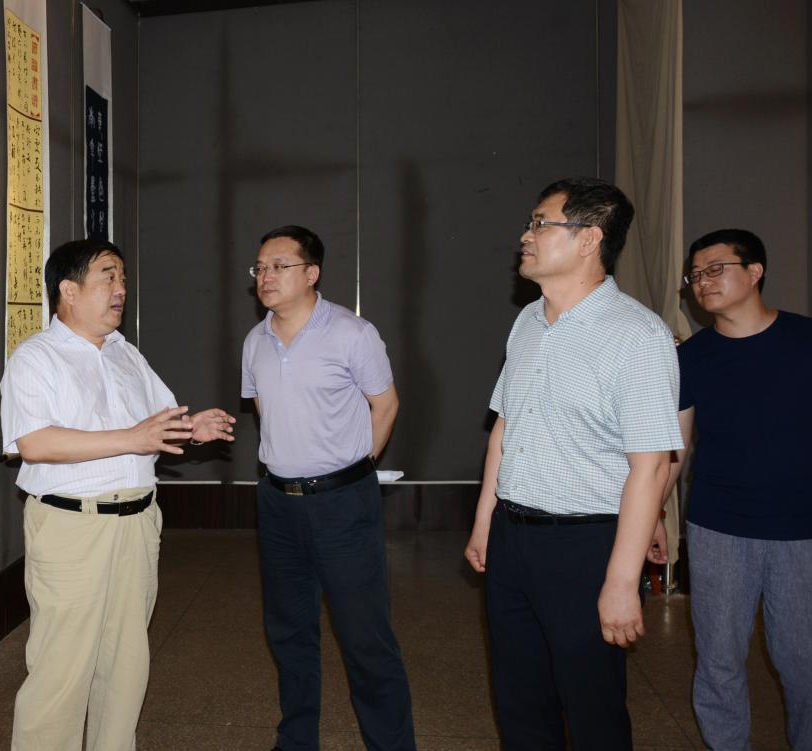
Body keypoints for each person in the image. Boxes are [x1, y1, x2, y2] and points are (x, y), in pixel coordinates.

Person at [463, 177, 683, 750]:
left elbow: (650, 467)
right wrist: (485, 520)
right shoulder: (528, 321)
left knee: (592, 711)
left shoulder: (637, 335)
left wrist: (621, 582)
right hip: (513, 536)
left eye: (540, 223)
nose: (525, 235)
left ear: (589, 239)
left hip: (587, 546)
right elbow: (504, 428)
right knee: (520, 702)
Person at [0, 238, 236, 751]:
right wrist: (132, 438)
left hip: (137, 523)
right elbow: (35, 443)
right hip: (72, 527)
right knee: (61, 670)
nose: (121, 289)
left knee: (126, 662)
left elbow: (154, 426)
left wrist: (191, 430)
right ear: (68, 290)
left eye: (123, 278)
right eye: (108, 276)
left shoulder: (126, 353)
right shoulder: (35, 358)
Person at [241, 225, 416, 751]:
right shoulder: (255, 341)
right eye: (260, 268)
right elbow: (264, 411)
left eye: (279, 266)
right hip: (278, 503)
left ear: (311, 273)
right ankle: (296, 741)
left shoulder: (351, 333)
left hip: (343, 504)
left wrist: (354, 468)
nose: (266, 276)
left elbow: (385, 405)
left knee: (365, 638)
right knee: (289, 632)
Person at [653, 229, 812, 750]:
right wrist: (655, 515)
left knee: (803, 663)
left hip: (802, 530)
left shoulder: (804, 340)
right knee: (719, 660)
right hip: (718, 527)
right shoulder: (692, 357)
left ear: (755, 271)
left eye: (715, 269)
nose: (702, 282)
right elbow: (674, 449)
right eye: (695, 275)